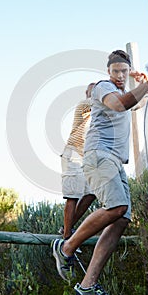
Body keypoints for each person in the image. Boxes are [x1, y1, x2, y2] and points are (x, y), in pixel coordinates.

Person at [52, 50, 148, 295]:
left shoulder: (125, 93)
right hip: (98, 155)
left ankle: (87, 285)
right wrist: (147, 82)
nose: (120, 75)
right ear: (108, 72)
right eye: (116, 71)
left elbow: (144, 98)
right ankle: (66, 246)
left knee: (121, 218)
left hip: (115, 162)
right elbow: (119, 104)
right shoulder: (103, 87)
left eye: (124, 71)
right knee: (116, 207)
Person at [60, 83, 96, 240]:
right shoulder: (84, 104)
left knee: (91, 192)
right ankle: (67, 237)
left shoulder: (100, 115)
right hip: (73, 152)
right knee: (73, 195)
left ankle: (66, 228)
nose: (96, 92)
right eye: (93, 90)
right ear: (87, 92)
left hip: (86, 156)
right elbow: (103, 103)